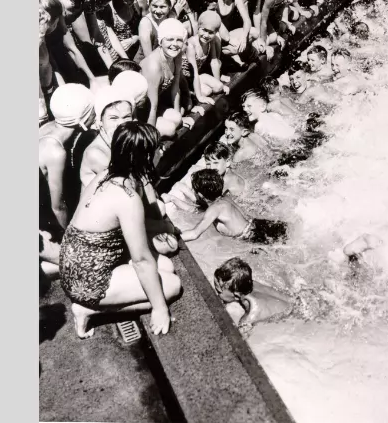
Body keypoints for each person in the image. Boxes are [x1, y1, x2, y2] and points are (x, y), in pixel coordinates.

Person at [60, 122, 182, 338]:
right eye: (157, 149)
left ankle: (90, 303)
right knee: (171, 285)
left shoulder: (106, 175)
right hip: (88, 281)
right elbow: (141, 261)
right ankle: (88, 309)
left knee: (166, 266)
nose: (160, 152)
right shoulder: (127, 197)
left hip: (74, 266)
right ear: (146, 156)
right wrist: (159, 308)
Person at [39, 84, 98, 238]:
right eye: (93, 110)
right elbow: (57, 207)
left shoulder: (49, 126)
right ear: (82, 117)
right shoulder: (55, 152)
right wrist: (71, 237)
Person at [180, 170, 289, 244]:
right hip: (259, 224)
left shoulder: (214, 209)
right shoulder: (225, 197)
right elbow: (196, 209)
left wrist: (171, 240)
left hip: (253, 237)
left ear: (200, 195)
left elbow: (194, 234)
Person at [140, 18, 191, 136]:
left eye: (179, 40)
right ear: (160, 41)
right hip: (142, 110)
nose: (174, 44)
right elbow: (151, 105)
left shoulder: (176, 56)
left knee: (177, 118)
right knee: (170, 130)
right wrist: (150, 136)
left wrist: (179, 118)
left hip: (156, 105)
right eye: (169, 39)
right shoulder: (153, 66)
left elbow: (176, 86)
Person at [213, 258, 293, 327]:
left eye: (219, 291)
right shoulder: (248, 283)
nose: (216, 294)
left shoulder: (249, 318)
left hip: (293, 316)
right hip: (295, 301)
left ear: (237, 296)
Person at [186, 11, 226, 106]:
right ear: (198, 27)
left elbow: (214, 62)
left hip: (197, 77)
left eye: (211, 32)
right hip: (186, 79)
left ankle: (193, 92)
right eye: (204, 30)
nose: (206, 35)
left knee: (218, 87)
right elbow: (194, 72)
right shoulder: (191, 45)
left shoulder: (210, 42)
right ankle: (190, 93)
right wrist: (200, 97)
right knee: (207, 91)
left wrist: (218, 82)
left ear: (216, 32)